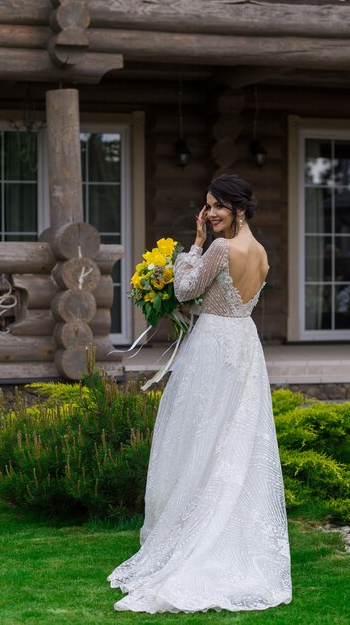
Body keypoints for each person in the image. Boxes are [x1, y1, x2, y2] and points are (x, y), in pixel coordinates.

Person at [107, 173, 292, 613]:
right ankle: (222, 529)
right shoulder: (262, 253)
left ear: (238, 209)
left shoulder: (221, 248)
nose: (209, 214)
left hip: (212, 350)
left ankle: (191, 539)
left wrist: (193, 244)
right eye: (207, 206)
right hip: (244, 347)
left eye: (217, 207)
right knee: (231, 442)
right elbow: (222, 300)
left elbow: (184, 289)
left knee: (195, 440)